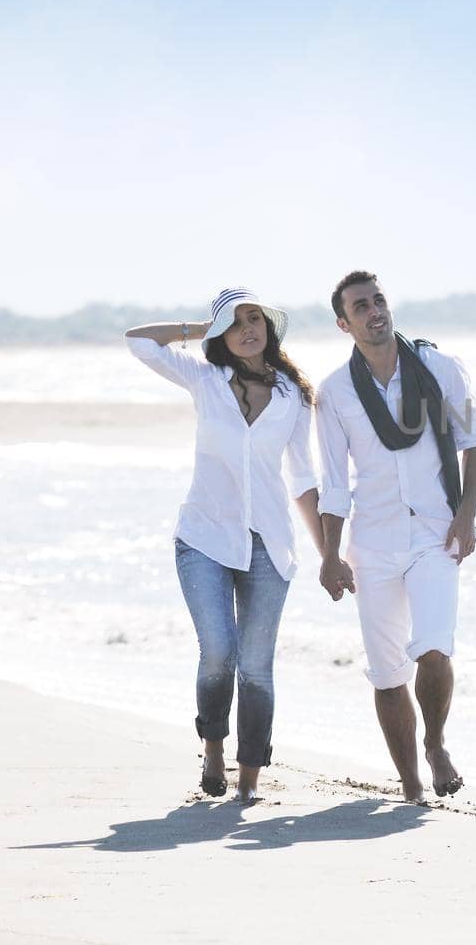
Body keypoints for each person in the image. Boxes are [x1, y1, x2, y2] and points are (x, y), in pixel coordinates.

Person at [124, 288, 322, 803]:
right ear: (220, 336)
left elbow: (303, 479)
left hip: (269, 544)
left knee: (256, 667)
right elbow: (139, 342)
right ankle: (213, 748)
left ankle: (250, 778)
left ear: (268, 327)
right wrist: (199, 327)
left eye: (254, 319)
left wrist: (329, 555)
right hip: (204, 538)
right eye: (234, 324)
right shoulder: (204, 379)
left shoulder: (293, 396)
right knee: (218, 653)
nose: (248, 329)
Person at [315, 270, 476, 803]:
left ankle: (435, 745)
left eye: (379, 300)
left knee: (434, 648)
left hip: (436, 533)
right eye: (360, 306)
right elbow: (334, 485)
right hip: (373, 542)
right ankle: (410, 782)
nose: (374, 311)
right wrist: (329, 555)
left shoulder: (439, 368)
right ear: (345, 323)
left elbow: (473, 446)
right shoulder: (335, 392)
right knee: (388, 673)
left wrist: (465, 515)